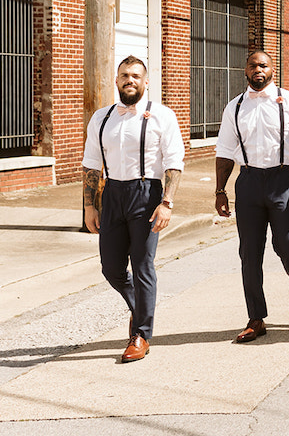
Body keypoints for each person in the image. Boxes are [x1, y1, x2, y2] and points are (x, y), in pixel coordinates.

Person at [81, 56, 184, 363]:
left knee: (142, 265)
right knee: (111, 268)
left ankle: (141, 334)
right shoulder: (101, 118)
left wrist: (167, 202)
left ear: (146, 81)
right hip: (112, 193)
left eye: (136, 75)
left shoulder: (162, 115)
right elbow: (90, 164)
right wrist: (89, 205)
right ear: (117, 80)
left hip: (147, 192)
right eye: (125, 75)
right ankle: (139, 307)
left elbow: (174, 162)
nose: (130, 80)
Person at [214, 50, 289, 344]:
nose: (258, 69)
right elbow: (224, 151)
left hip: (282, 179)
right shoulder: (234, 108)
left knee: (287, 245)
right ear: (245, 70)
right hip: (248, 182)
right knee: (249, 253)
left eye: (263, 65)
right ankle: (256, 318)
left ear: (273, 69)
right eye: (253, 65)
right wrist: (220, 190)